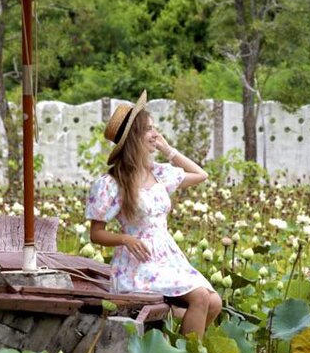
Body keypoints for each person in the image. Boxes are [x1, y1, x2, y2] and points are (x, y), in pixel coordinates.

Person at [86, 92, 222, 337]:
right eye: (148, 129)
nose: (155, 134)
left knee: (214, 303)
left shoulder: (159, 173)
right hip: (138, 264)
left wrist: (168, 150)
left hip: (168, 256)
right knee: (201, 297)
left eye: (154, 128)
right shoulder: (111, 183)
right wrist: (126, 239)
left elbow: (201, 175)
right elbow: (96, 234)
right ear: (133, 138)